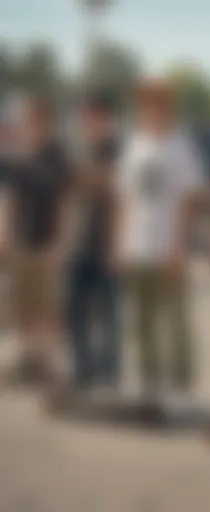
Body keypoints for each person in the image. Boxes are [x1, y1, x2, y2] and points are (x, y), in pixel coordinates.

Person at [114, 79, 206, 406]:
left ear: (168, 105)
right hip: (137, 246)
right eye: (144, 103)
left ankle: (181, 390)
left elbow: (190, 201)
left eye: (156, 102)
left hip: (168, 248)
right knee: (141, 323)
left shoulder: (181, 145)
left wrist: (180, 246)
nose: (149, 109)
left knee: (175, 322)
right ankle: (149, 385)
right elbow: (125, 197)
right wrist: (121, 243)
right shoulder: (135, 144)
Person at [1, 98, 72, 385]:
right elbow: (12, 201)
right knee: (23, 305)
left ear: (48, 124)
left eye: (39, 121)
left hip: (46, 245)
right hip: (21, 243)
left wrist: (60, 244)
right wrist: (5, 237)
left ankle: (46, 364)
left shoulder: (58, 158)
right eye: (30, 122)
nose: (34, 127)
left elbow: (65, 204)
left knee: (47, 309)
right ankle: (27, 361)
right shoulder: (21, 159)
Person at [66, 92, 121, 390]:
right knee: (74, 309)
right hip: (79, 243)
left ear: (106, 117)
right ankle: (82, 370)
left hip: (107, 245)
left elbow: (117, 190)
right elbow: (72, 196)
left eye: (94, 116)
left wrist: (117, 246)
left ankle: (109, 375)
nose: (89, 122)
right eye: (85, 116)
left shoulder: (118, 148)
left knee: (108, 314)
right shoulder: (82, 151)